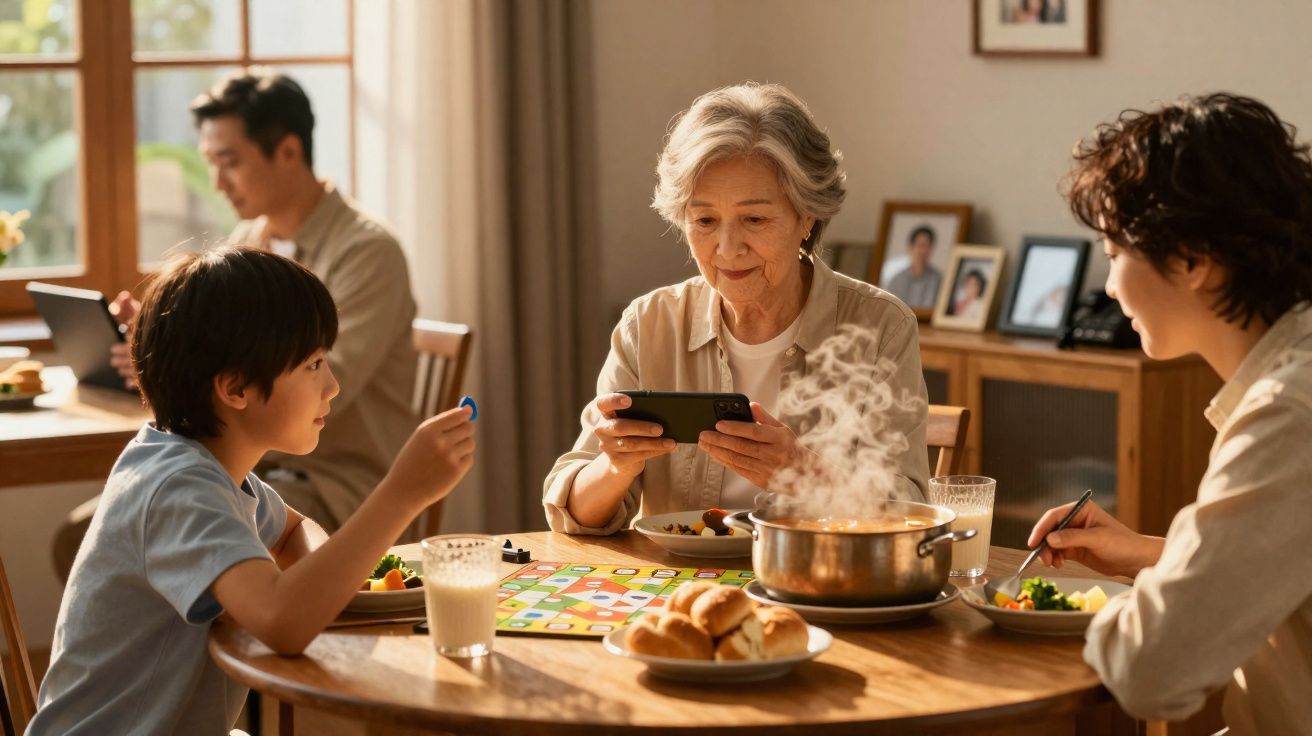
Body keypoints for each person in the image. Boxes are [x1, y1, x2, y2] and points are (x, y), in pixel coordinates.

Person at [28, 247, 475, 735]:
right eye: (314, 364)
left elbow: (293, 530)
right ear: (236, 388)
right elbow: (283, 622)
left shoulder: (212, 471)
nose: (333, 386)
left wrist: (318, 578)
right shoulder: (180, 488)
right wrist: (401, 493)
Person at [1027, 93, 1312, 733]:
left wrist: (1077, 615)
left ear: (1192, 260)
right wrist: (1150, 555)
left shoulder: (1288, 413)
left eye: (1113, 253)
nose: (1107, 287)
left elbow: (1148, 672)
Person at [543, 82, 929, 535]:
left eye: (755, 219)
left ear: (807, 217)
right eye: (705, 221)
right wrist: (614, 467)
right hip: (681, 593)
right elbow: (574, 516)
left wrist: (803, 472)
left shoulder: (880, 327)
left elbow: (911, 514)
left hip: (819, 587)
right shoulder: (648, 325)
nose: (727, 249)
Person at [109, 68, 418, 532]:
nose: (216, 182)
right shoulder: (249, 243)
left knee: (149, 520)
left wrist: (187, 372)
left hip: (335, 485)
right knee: (110, 520)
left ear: (289, 151)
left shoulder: (367, 250)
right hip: (252, 469)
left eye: (229, 161)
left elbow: (328, 387)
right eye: (209, 162)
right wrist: (159, 349)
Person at [884, 225, 943, 310]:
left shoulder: (939, 280)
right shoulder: (896, 280)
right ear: (910, 248)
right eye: (919, 245)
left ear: (931, 249)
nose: (923, 251)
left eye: (926, 246)